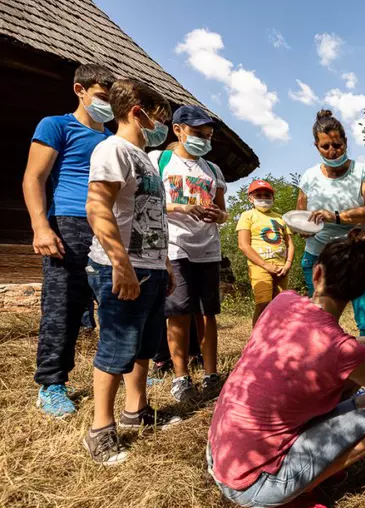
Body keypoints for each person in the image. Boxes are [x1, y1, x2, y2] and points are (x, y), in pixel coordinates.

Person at [207, 229, 365, 508]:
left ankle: (298, 476)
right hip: (252, 484)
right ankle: (283, 503)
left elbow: (324, 344)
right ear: (361, 291)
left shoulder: (282, 303)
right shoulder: (341, 350)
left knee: (352, 390)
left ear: (317, 272)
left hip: (220, 457)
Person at [84, 79, 181, 465]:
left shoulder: (145, 158)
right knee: (116, 348)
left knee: (144, 345)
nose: (161, 126)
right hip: (119, 268)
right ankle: (100, 430)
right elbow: (97, 207)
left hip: (152, 268)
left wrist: (165, 264)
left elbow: (153, 218)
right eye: (159, 118)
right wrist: (121, 264)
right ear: (137, 113)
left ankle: (135, 411)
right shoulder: (113, 150)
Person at [22, 64, 116, 417]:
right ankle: (51, 383)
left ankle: (119, 370)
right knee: (62, 306)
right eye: (101, 97)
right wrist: (40, 227)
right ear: (80, 90)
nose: (106, 105)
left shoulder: (112, 139)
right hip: (68, 222)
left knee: (113, 303)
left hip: (108, 225)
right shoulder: (56, 125)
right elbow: (34, 177)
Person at [148, 105, 228, 402]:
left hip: (207, 247)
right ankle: (181, 376)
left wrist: (216, 215)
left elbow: (224, 213)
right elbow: (149, 201)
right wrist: (182, 207)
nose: (203, 140)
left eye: (207, 135)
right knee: (178, 311)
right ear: (178, 130)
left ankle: (210, 374)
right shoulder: (160, 160)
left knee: (207, 313)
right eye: (197, 133)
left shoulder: (213, 170)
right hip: (175, 244)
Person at [297, 110, 365, 336]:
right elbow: (300, 216)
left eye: (337, 145)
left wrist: (336, 216)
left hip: (360, 256)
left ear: (345, 142)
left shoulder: (362, 172)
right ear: (317, 147)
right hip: (318, 257)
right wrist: (303, 230)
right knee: (319, 322)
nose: (332, 151)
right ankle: (327, 369)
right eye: (325, 147)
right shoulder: (308, 177)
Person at [236, 179, 293, 326]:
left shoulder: (280, 218)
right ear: (250, 198)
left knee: (280, 305)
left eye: (267, 195)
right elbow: (243, 245)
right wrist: (266, 265)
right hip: (259, 266)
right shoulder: (247, 215)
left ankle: (277, 338)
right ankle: (257, 340)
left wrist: (287, 265)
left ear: (273, 197)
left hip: (281, 268)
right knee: (263, 303)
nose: (263, 198)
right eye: (259, 195)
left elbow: (290, 244)